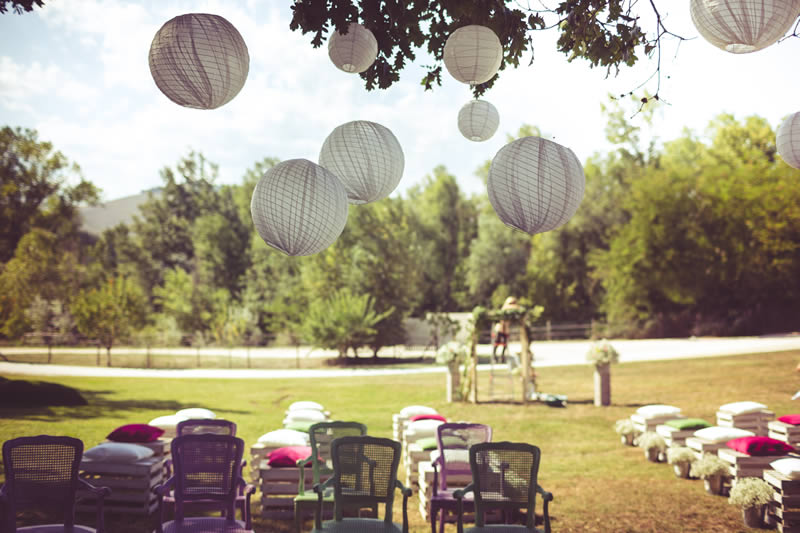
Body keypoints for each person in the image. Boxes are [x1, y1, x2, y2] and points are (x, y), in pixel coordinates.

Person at [492, 296, 520, 364]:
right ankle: (494, 356)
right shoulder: (505, 308)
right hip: (500, 328)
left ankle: (502, 356)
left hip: (506, 329)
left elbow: (517, 308)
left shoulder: (513, 310)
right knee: (496, 343)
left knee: (505, 344)